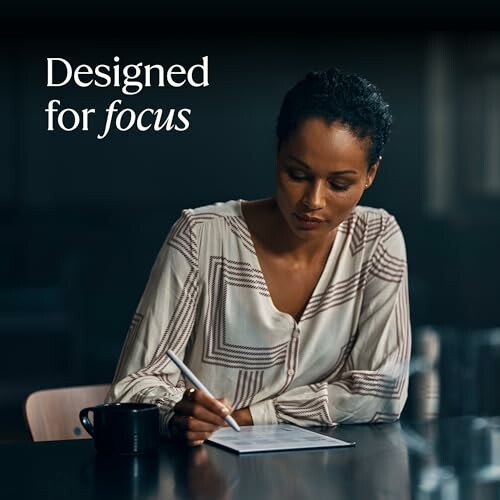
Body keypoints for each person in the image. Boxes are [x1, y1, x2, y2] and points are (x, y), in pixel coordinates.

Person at [107, 68, 411, 446]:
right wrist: (179, 411)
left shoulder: (377, 240)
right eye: (297, 174)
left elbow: (382, 393)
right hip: (206, 478)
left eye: (339, 184)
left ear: (371, 174)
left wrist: (249, 417)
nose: (313, 202)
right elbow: (131, 389)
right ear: (277, 153)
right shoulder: (202, 235)